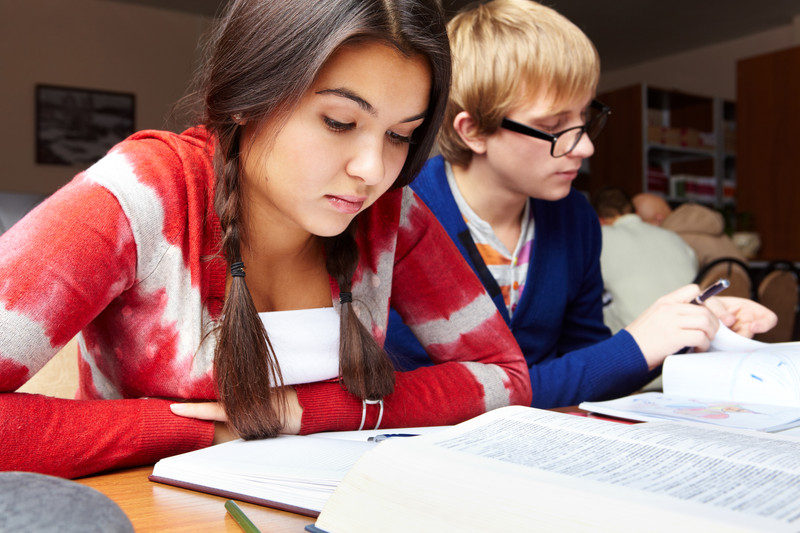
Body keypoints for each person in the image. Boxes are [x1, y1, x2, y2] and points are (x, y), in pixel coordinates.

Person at [0, 0, 532, 479]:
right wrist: (201, 431)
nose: (372, 170)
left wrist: (312, 411)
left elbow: (506, 377)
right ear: (246, 97)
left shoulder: (391, 212)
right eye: (339, 121)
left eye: (400, 135)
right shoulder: (141, 195)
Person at [385, 0, 775, 408]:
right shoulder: (399, 214)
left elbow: (592, 368)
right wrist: (636, 345)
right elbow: (438, 395)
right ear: (474, 132)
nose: (585, 146)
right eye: (553, 127)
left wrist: (685, 333)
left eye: (584, 119)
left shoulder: (575, 217)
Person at [592, 186, 698, 334]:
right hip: (690, 331)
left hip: (639, 341)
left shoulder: (597, 238)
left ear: (599, 220)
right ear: (636, 213)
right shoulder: (674, 237)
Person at [632, 193, 747, 267]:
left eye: (642, 223)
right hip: (741, 296)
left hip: (707, 298)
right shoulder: (705, 227)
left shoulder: (672, 240)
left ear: (658, 219)